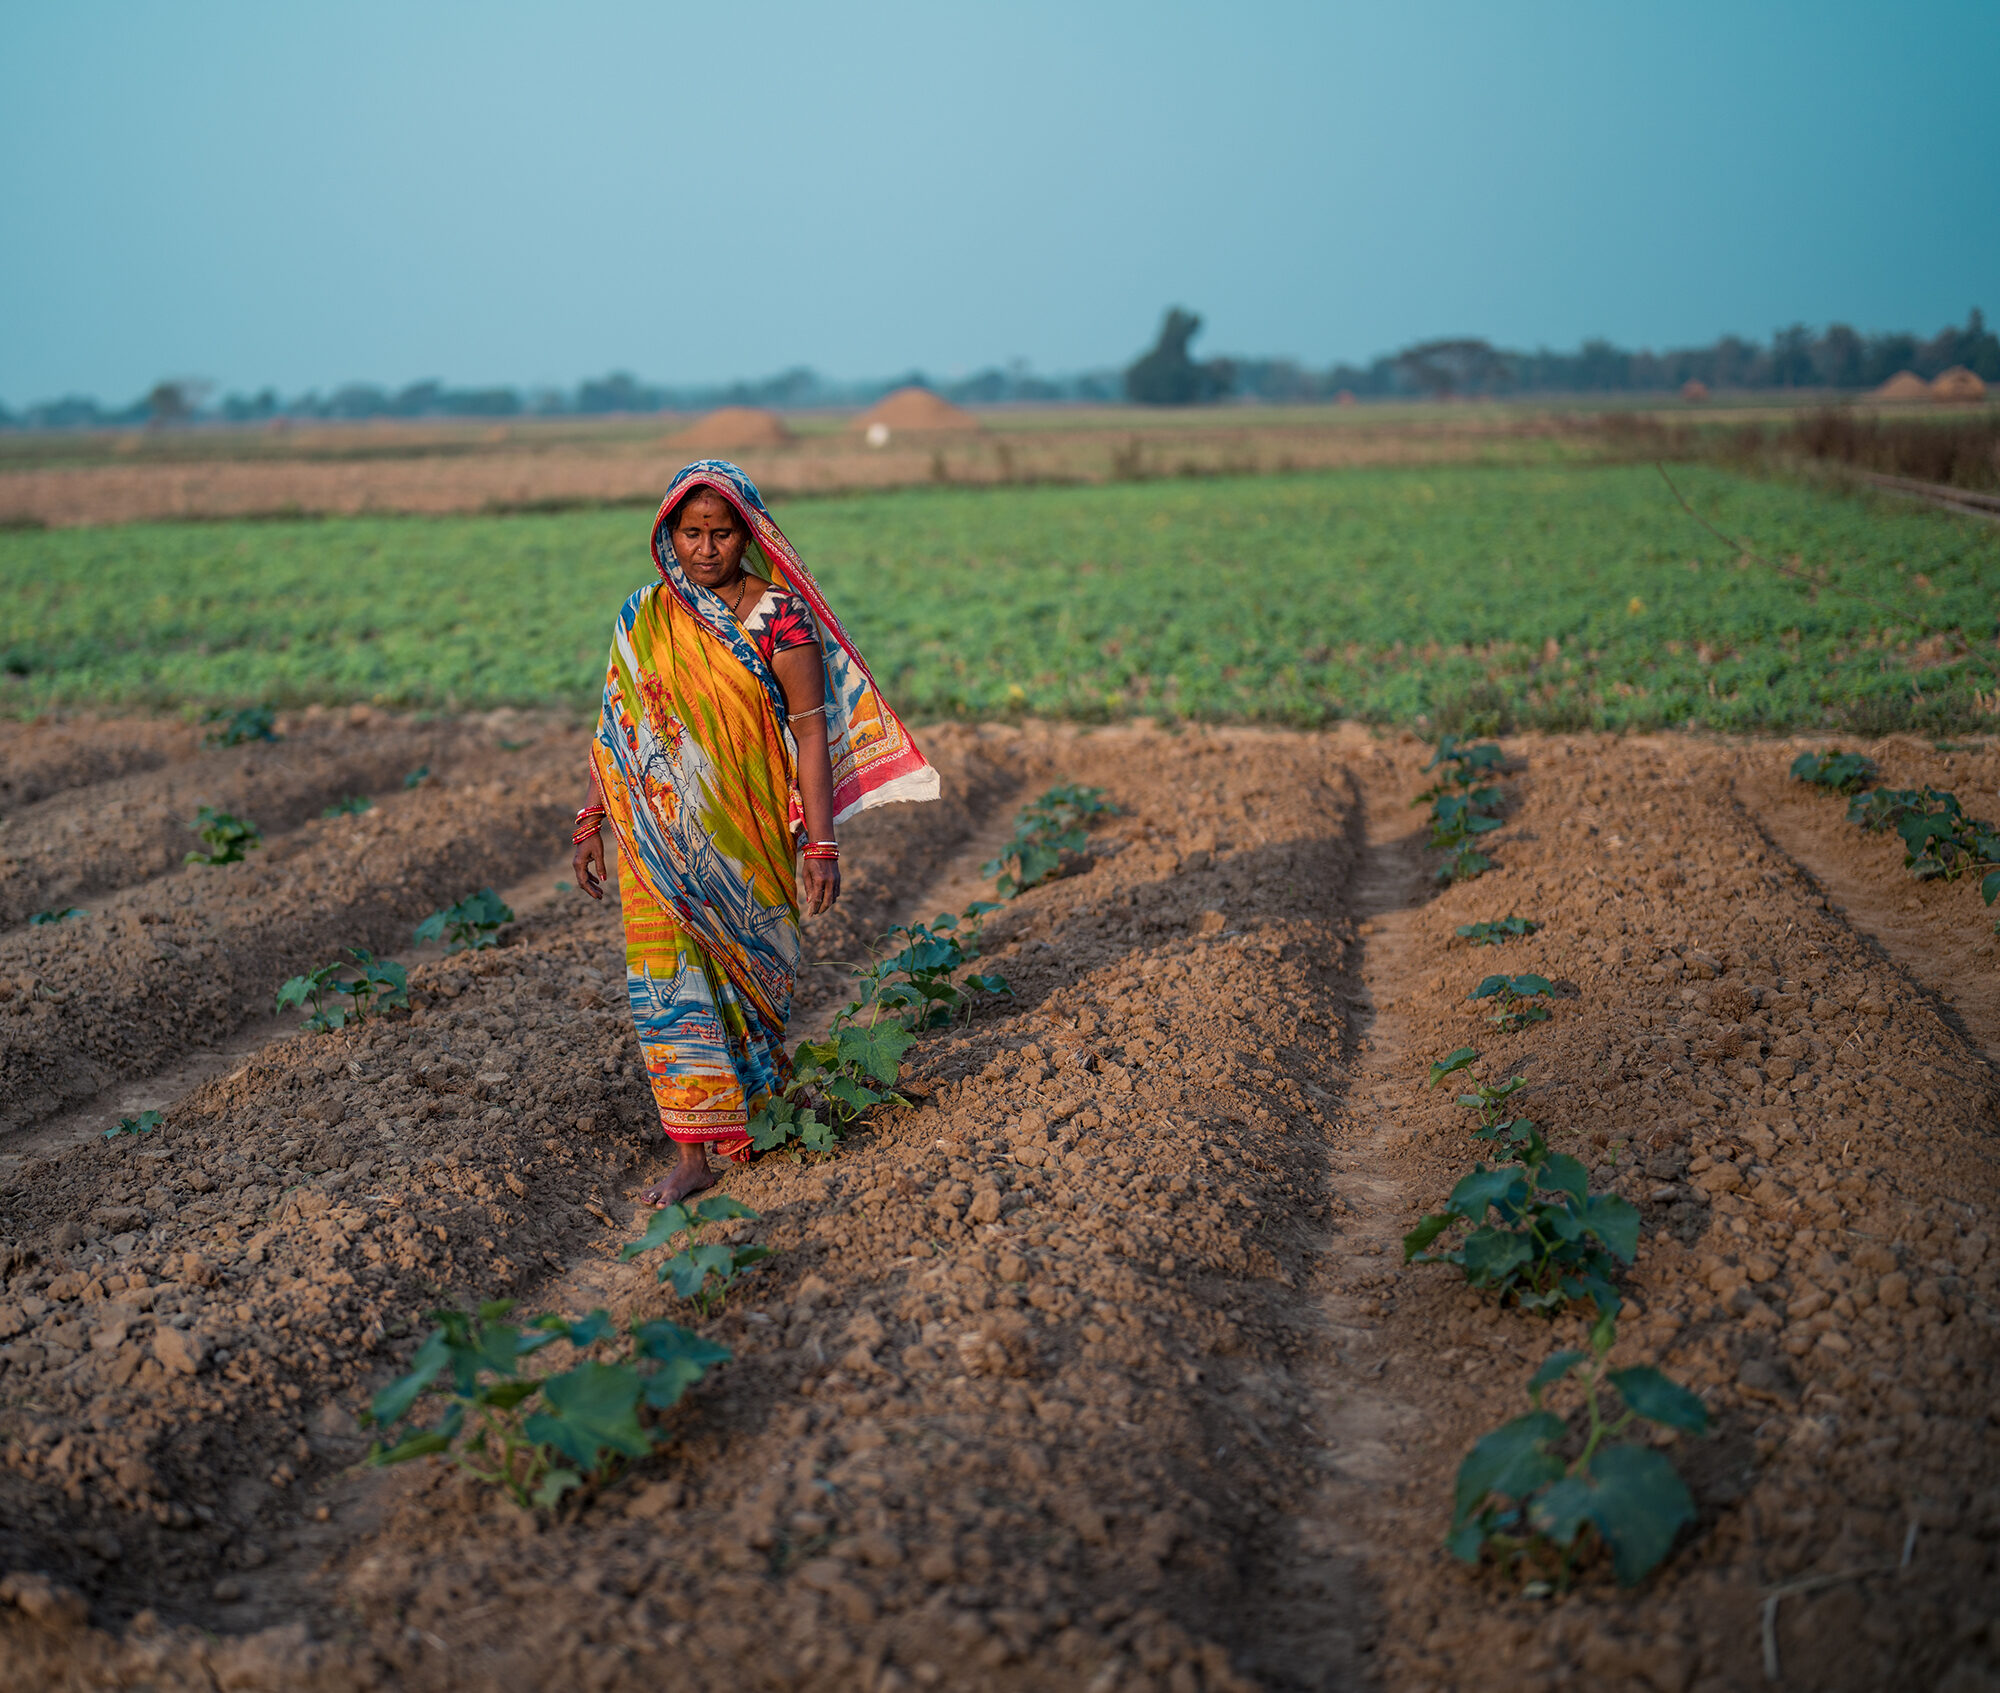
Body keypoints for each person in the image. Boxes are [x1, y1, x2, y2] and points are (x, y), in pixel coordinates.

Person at [572, 460, 937, 1205]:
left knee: (754, 980)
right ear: (667, 533)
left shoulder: (781, 617)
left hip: (749, 835)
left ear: (750, 531)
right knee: (666, 989)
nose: (706, 547)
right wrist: (592, 818)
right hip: (657, 841)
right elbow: (617, 728)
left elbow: (811, 732)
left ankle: (757, 1118)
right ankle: (692, 1154)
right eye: (691, 531)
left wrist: (823, 842)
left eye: (722, 531)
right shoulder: (643, 616)